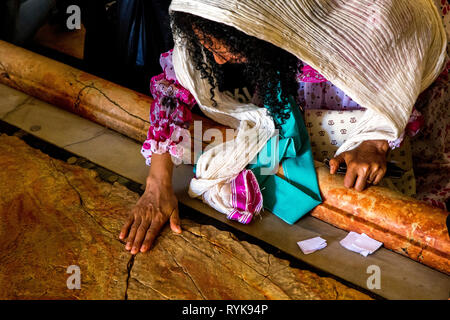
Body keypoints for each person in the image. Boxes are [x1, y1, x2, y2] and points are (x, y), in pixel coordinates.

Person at [120, 0, 448, 255]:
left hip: (382, 69)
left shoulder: (374, 14)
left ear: (257, 26)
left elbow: (402, 71)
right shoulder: (215, 12)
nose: (217, 61)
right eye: (206, 45)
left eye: (223, 46)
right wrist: (157, 186)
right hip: (304, 82)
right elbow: (174, 89)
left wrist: (374, 139)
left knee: (404, 206)